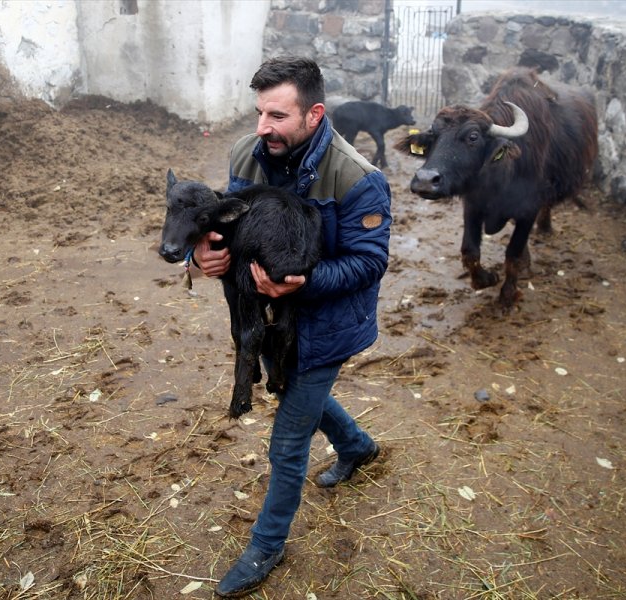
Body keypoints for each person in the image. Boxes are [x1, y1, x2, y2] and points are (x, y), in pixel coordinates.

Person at [194, 56, 392, 598]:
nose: (262, 128)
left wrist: (304, 283)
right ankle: (357, 447)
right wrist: (202, 258)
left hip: (326, 323)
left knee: (287, 439)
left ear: (314, 114)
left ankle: (267, 544)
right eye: (260, 113)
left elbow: (370, 262)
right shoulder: (246, 155)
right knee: (298, 391)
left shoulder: (358, 178)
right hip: (265, 319)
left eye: (277, 116)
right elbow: (226, 225)